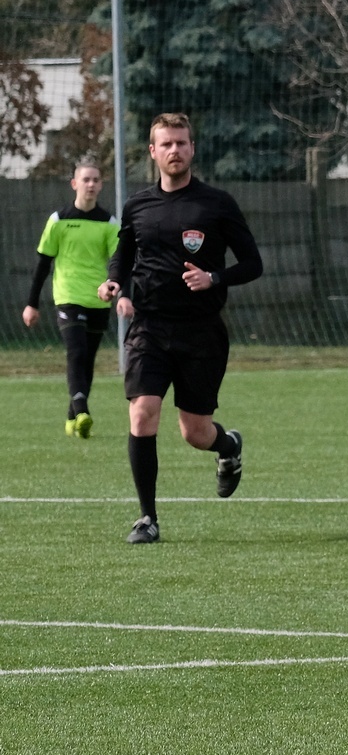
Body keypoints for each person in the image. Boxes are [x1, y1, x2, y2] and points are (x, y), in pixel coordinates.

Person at [97, 113, 262, 545]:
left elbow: (253, 264)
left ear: (192, 149)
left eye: (181, 143)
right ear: (153, 152)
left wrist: (215, 278)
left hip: (201, 332)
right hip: (149, 327)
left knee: (195, 432)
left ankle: (228, 448)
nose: (175, 150)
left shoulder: (216, 204)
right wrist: (114, 281)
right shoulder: (137, 206)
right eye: (166, 144)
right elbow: (124, 255)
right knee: (142, 412)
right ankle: (147, 518)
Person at [22, 157, 120, 437]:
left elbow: (118, 262)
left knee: (87, 359)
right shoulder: (59, 220)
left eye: (96, 180)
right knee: (76, 352)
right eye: (85, 179)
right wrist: (31, 303)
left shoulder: (108, 223)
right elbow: (43, 264)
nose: (91, 184)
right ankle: (81, 409)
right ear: (74, 184)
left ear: (101, 185)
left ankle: (72, 419)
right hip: (67, 296)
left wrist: (120, 291)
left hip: (98, 299)